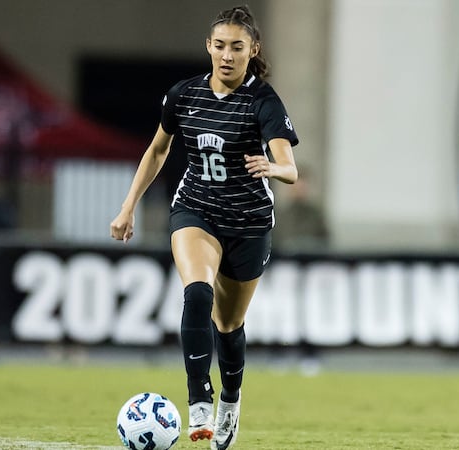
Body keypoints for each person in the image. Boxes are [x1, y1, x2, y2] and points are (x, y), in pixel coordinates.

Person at [110, 5, 299, 449]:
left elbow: (291, 168)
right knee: (197, 291)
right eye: (219, 46)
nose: (227, 55)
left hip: (249, 224)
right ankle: (199, 400)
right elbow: (158, 151)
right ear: (208, 47)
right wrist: (128, 206)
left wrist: (272, 168)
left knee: (229, 326)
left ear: (253, 50)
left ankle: (230, 401)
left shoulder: (263, 102)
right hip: (196, 209)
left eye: (237, 47)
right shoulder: (183, 94)